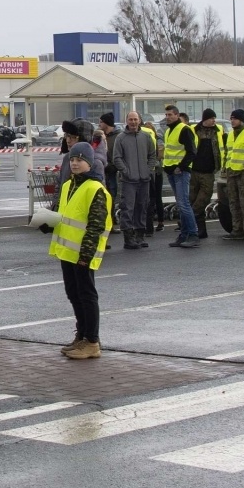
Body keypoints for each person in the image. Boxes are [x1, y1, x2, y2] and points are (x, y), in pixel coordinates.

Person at [39, 141, 111, 360]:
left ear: (90, 163)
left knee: (87, 295)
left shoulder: (95, 189)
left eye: (80, 160)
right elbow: (64, 215)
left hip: (82, 253)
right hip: (67, 251)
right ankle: (82, 335)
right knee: (74, 294)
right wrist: (47, 223)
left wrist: (85, 256)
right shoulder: (69, 185)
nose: (75, 163)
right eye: (72, 159)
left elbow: (96, 225)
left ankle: (92, 341)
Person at [112, 111, 158, 250]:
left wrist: (147, 170)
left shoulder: (146, 137)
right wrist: (126, 171)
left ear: (139, 120)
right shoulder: (121, 138)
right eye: (130, 119)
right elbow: (117, 158)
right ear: (126, 121)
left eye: (135, 119)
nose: (133, 122)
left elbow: (152, 155)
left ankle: (140, 235)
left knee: (142, 207)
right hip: (128, 181)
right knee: (127, 208)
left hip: (144, 180)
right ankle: (128, 238)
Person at [160, 105, 200, 248]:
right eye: (166, 115)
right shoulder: (169, 131)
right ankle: (184, 235)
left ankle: (193, 234)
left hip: (180, 172)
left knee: (184, 204)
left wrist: (181, 167)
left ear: (177, 115)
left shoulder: (184, 129)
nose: (168, 117)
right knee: (181, 204)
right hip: (172, 171)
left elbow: (192, 151)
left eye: (170, 114)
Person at [220, 109, 244, 240]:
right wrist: (225, 168)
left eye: (234, 118)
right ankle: (237, 229)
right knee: (233, 202)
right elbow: (228, 152)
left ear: (241, 120)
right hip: (231, 172)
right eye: (231, 118)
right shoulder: (230, 134)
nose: (232, 121)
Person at [189, 108, 222, 228]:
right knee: (192, 199)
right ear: (205, 119)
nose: (214, 120)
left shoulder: (218, 130)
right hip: (194, 170)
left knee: (203, 199)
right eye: (211, 118)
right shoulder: (194, 129)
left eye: (214, 118)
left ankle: (188, 220)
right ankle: (200, 230)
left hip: (209, 172)